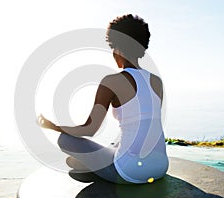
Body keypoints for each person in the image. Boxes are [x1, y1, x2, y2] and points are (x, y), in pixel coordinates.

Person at [38, 14, 169, 184]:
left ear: (119, 49)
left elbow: (89, 129)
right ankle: (90, 165)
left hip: (131, 173)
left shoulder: (112, 81)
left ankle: (91, 166)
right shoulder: (156, 81)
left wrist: (53, 126)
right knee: (118, 140)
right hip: (161, 167)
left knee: (65, 139)